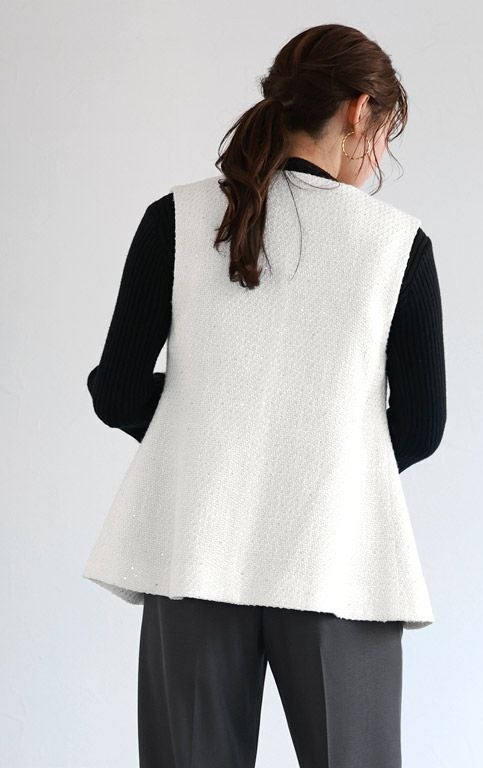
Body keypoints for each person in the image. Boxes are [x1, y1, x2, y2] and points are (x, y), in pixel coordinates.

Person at [82, 22, 446, 768]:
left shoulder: (176, 218)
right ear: (360, 110)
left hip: (196, 554)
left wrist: (217, 432)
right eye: (386, 133)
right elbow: (422, 424)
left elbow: (115, 391)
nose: (380, 156)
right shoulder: (395, 244)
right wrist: (326, 462)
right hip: (337, 558)